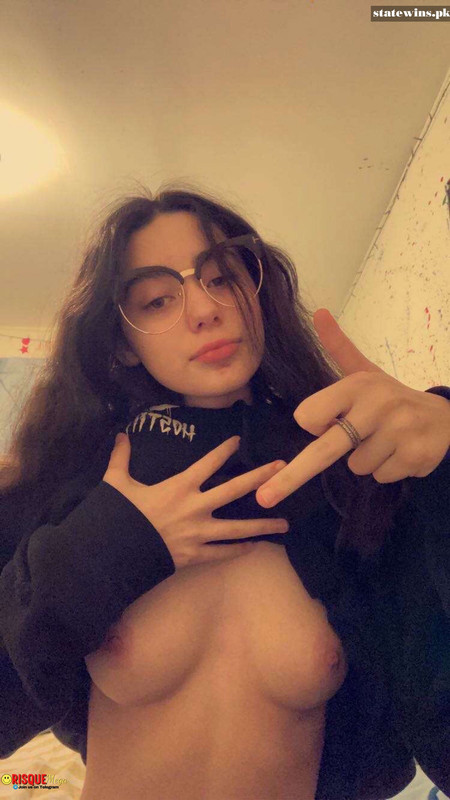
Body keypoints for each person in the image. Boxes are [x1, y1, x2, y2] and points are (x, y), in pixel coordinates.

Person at [0, 184, 449, 800]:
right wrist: (112, 546)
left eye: (221, 277)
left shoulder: (346, 488)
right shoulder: (71, 486)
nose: (204, 310)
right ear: (121, 345)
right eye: (158, 299)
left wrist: (446, 457)